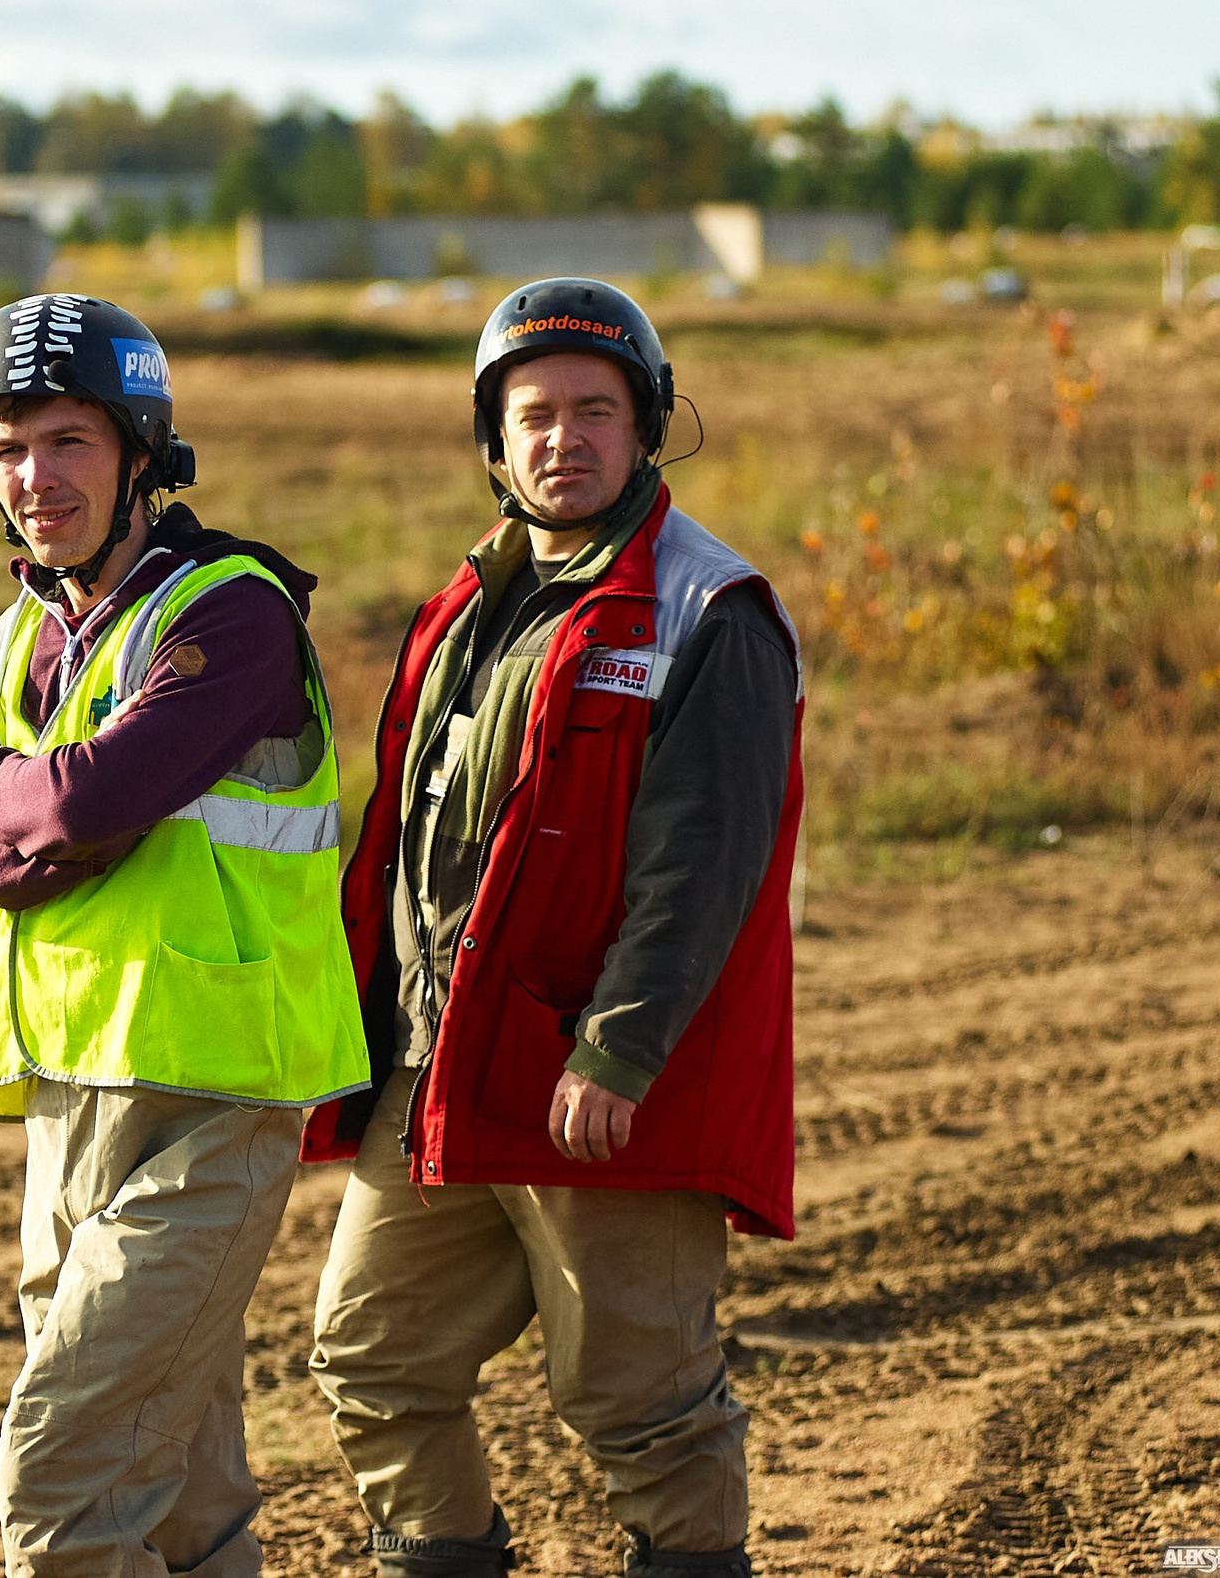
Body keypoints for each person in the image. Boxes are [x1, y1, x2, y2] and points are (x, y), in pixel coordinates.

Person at [300, 278, 802, 1578]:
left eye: (595, 411)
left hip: (600, 1084)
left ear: (647, 428)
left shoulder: (709, 609)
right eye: (533, 415)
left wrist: (618, 1049)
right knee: (373, 1356)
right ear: (494, 436)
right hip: (442, 1061)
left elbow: (704, 862)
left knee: (642, 1402)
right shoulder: (471, 598)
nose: (562, 439)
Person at [0, 293, 369, 1578]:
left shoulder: (230, 612)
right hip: (70, 1090)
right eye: (6, 449)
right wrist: (41, 814)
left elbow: (89, 801)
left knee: (68, 1465)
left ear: (139, 453)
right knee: (183, 1485)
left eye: (68, 442)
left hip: (216, 1096)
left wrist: (22, 803)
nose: (34, 478)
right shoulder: (23, 634)